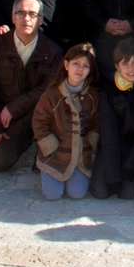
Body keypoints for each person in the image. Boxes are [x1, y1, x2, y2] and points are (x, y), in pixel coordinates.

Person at [0, 0, 63, 172]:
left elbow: (50, 87)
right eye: (21, 13)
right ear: (13, 17)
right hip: (5, 117)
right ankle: (23, 139)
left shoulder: (53, 51)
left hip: (39, 112)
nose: (26, 19)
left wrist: (15, 106)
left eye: (32, 14)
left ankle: (44, 148)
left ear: (40, 20)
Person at [91, 39, 134, 200]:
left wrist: (130, 165)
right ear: (117, 66)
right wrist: (113, 175)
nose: (131, 69)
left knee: (128, 193)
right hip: (111, 146)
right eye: (125, 64)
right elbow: (108, 131)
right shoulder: (108, 88)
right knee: (100, 192)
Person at [32, 42, 101, 200]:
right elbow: (39, 122)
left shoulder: (92, 95)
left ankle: (76, 175)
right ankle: (48, 172)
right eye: (75, 63)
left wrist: (90, 143)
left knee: (76, 193)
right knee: (52, 195)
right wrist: (51, 147)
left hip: (80, 157)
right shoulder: (51, 94)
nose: (80, 69)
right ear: (66, 64)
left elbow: (96, 122)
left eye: (85, 66)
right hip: (55, 155)